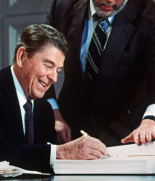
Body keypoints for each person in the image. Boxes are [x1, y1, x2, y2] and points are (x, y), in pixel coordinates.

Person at [0, 24, 107, 173]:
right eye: (48, 65)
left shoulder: (45, 109)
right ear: (21, 57)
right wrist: (59, 152)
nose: (54, 78)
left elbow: (40, 163)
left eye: (58, 70)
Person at [45, 0, 155, 147]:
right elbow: (39, 62)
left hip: (127, 134)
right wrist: (53, 112)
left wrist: (150, 119)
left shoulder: (149, 14)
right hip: (69, 132)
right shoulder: (62, 7)